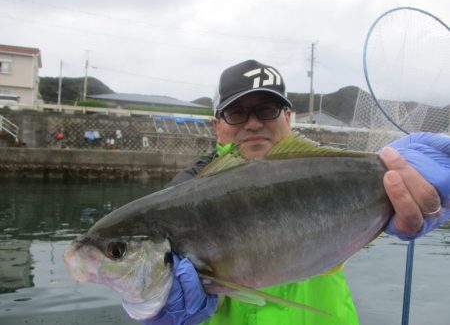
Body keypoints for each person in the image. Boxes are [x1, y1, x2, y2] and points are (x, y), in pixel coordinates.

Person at [133, 60, 450, 325]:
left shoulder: (334, 171)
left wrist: (413, 186)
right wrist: (152, 308)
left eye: (267, 110)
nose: (254, 123)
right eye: (237, 112)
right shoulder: (183, 196)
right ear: (217, 125)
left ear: (288, 118)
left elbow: (390, 185)